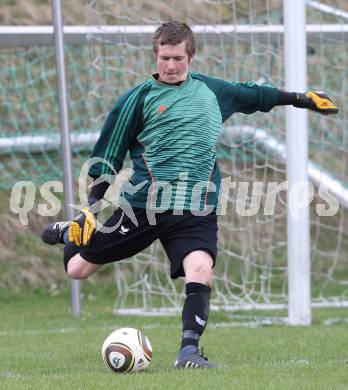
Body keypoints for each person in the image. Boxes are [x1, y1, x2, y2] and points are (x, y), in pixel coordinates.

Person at [41, 21, 338, 369]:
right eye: (164, 58)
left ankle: (189, 353)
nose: (170, 65)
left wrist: (301, 99)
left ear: (190, 56)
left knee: (201, 268)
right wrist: (90, 210)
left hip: (197, 207)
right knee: (77, 269)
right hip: (144, 207)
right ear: (155, 56)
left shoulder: (213, 92)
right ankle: (66, 231)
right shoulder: (136, 100)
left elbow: (257, 96)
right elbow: (108, 157)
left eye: (177, 58)